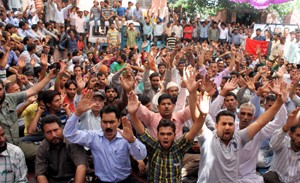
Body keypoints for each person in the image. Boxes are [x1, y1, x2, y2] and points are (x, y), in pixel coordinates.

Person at [127, 68, 206, 182]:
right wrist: (132, 113)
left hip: (180, 159)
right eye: (162, 134)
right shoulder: (153, 145)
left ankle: (182, 172)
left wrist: (195, 96)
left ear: (174, 135)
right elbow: (140, 128)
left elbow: (195, 126)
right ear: (157, 135)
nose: (165, 137)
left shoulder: (179, 147)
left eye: (169, 134)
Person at [197, 82, 287, 182]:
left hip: (247, 177)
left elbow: (279, 122)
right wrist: (222, 93)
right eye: (243, 114)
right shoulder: (230, 127)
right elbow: (213, 114)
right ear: (238, 115)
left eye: (249, 115)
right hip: (224, 175)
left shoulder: (259, 131)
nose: (245, 117)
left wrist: (280, 102)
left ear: (253, 117)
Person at [63, 90, 147, 183]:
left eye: (111, 122)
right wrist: (77, 112)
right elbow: (69, 134)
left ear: (118, 122)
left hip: (125, 180)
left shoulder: (126, 136)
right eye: (105, 122)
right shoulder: (93, 137)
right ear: (100, 122)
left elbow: (141, 155)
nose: (108, 126)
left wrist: (132, 141)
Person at [35, 115, 86, 183]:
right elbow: (40, 174)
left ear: (62, 128)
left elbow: (81, 166)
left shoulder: (72, 141)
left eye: (56, 130)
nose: (53, 135)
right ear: (44, 134)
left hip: (73, 178)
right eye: (49, 132)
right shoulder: (42, 147)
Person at [263, 108, 300, 183]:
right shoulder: (283, 142)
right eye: (298, 135)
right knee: (270, 176)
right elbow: (273, 145)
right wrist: (286, 127)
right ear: (290, 134)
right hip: (276, 180)